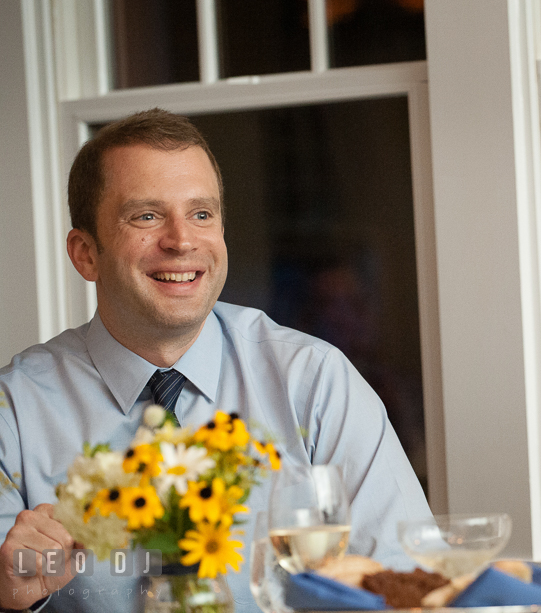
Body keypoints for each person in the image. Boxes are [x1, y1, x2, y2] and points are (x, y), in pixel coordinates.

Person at [0, 109, 432, 612]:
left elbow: (409, 585)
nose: (182, 240)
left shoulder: (314, 383)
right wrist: (8, 595)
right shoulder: (14, 410)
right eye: (147, 215)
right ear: (85, 254)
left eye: (201, 214)